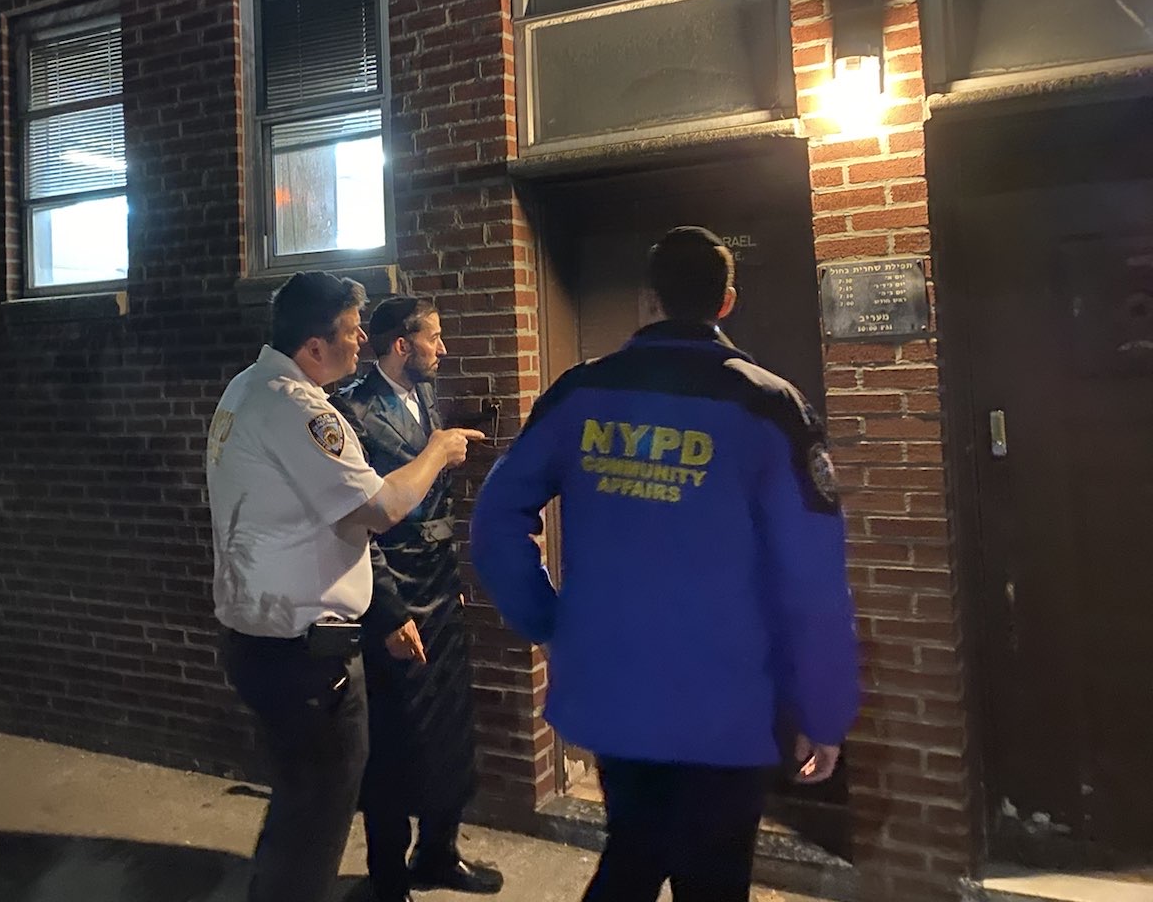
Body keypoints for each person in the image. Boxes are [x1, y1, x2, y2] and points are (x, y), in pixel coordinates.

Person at [470, 227, 860, 902]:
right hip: (729, 704)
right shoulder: (768, 407)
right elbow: (814, 578)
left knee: (635, 849)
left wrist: (549, 621)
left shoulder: (581, 393)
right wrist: (825, 711)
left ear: (648, 300)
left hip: (616, 690)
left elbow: (494, 519)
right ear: (726, 302)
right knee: (712, 876)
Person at [207, 271, 484, 902]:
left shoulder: (247, 388)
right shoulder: (303, 410)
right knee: (319, 815)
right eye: (353, 332)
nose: (362, 341)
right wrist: (438, 450)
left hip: (270, 640)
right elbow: (381, 508)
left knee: (300, 808)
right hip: (308, 654)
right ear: (314, 345)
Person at [332, 297, 504, 902]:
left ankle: (438, 851)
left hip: (438, 584)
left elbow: (438, 502)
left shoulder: (424, 395)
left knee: (449, 728)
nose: (443, 348)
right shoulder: (351, 411)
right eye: (434, 337)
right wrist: (389, 610)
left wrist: (450, 575)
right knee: (394, 738)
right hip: (394, 590)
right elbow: (358, 525)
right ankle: (387, 877)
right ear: (402, 344)